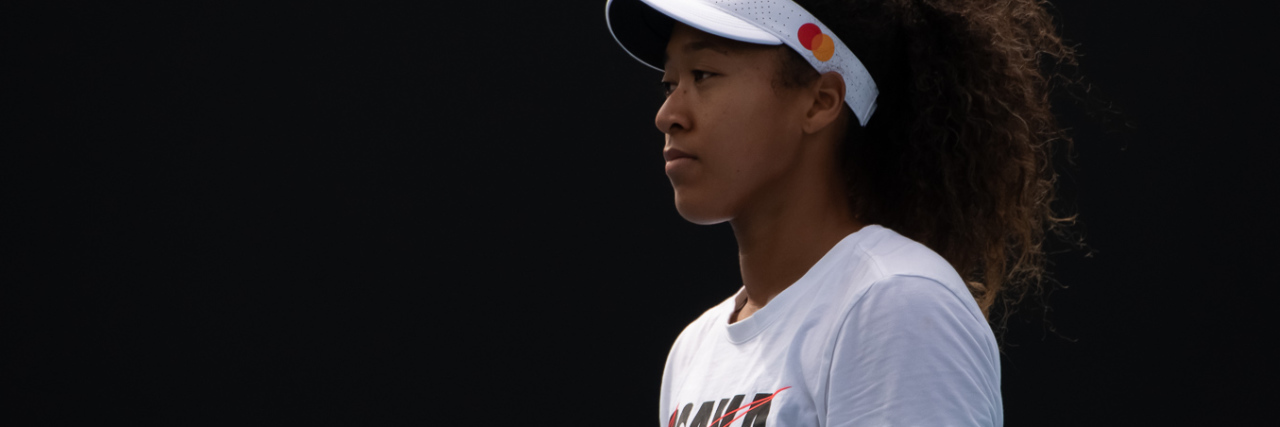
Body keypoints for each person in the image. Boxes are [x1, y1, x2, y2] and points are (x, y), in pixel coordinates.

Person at [605, 0, 1078, 425]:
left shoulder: (896, 304)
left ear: (821, 101)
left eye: (703, 75)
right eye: (670, 82)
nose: (667, 114)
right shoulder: (694, 350)